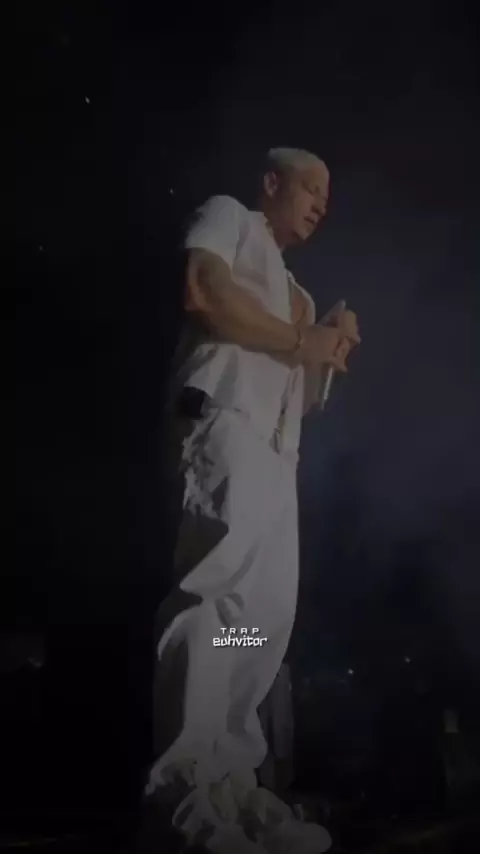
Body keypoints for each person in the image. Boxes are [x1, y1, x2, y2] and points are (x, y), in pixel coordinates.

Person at [138, 148, 361, 853]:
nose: (322, 201)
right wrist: (303, 338)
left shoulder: (298, 292)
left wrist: (329, 343)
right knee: (215, 601)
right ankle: (181, 793)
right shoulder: (228, 216)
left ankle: (231, 785)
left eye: (328, 193)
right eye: (311, 186)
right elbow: (204, 292)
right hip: (222, 428)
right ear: (271, 184)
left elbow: (306, 394)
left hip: (274, 455)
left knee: (260, 622)